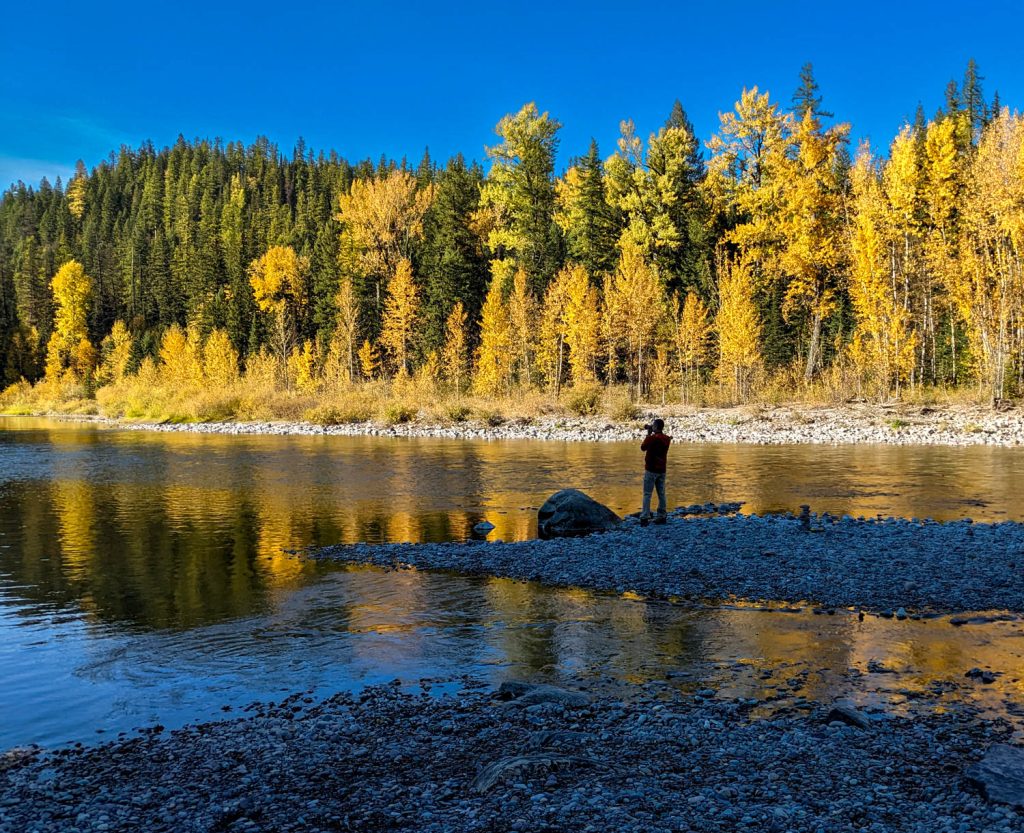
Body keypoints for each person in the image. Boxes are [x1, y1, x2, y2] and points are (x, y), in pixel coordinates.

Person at [640, 418, 671, 526]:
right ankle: (662, 515)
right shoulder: (667, 439)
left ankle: (645, 516)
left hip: (651, 469)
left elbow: (643, 447)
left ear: (656, 427)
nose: (651, 427)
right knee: (661, 493)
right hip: (662, 470)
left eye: (653, 425)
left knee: (647, 494)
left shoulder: (651, 439)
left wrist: (648, 434)